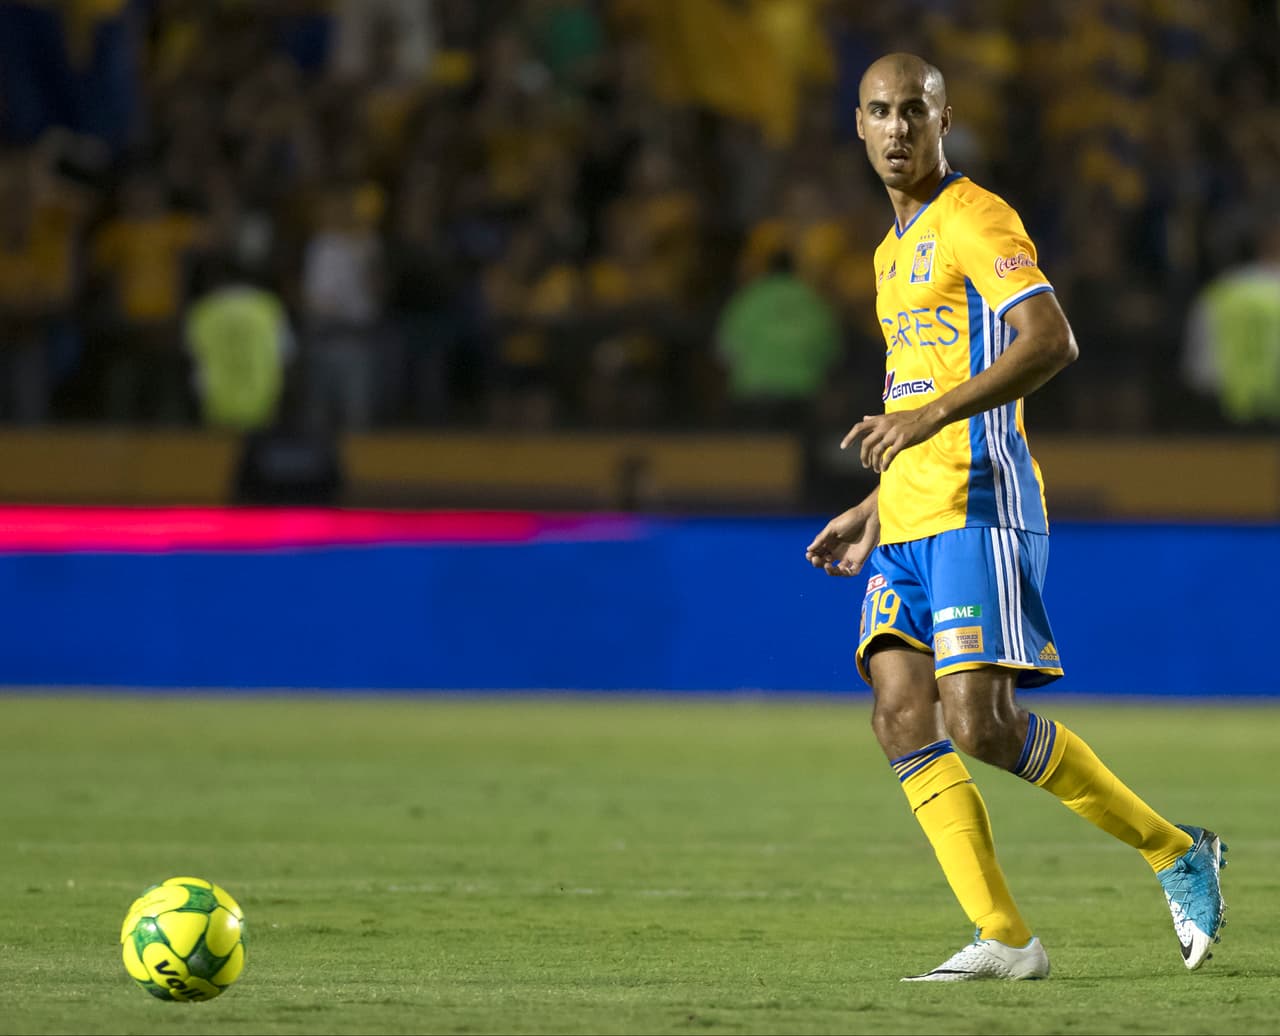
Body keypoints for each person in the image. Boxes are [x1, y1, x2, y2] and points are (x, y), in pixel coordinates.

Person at [804, 54, 1226, 982]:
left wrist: (927, 418)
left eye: (914, 110)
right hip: (909, 517)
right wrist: (875, 506)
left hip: (978, 504)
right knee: (899, 714)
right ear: (859, 127)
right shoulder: (886, 252)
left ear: (944, 119)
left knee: (982, 725)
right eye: (879, 112)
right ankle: (1003, 936)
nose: (897, 128)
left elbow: (1052, 340)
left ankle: (1175, 850)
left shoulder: (975, 217)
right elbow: (920, 383)